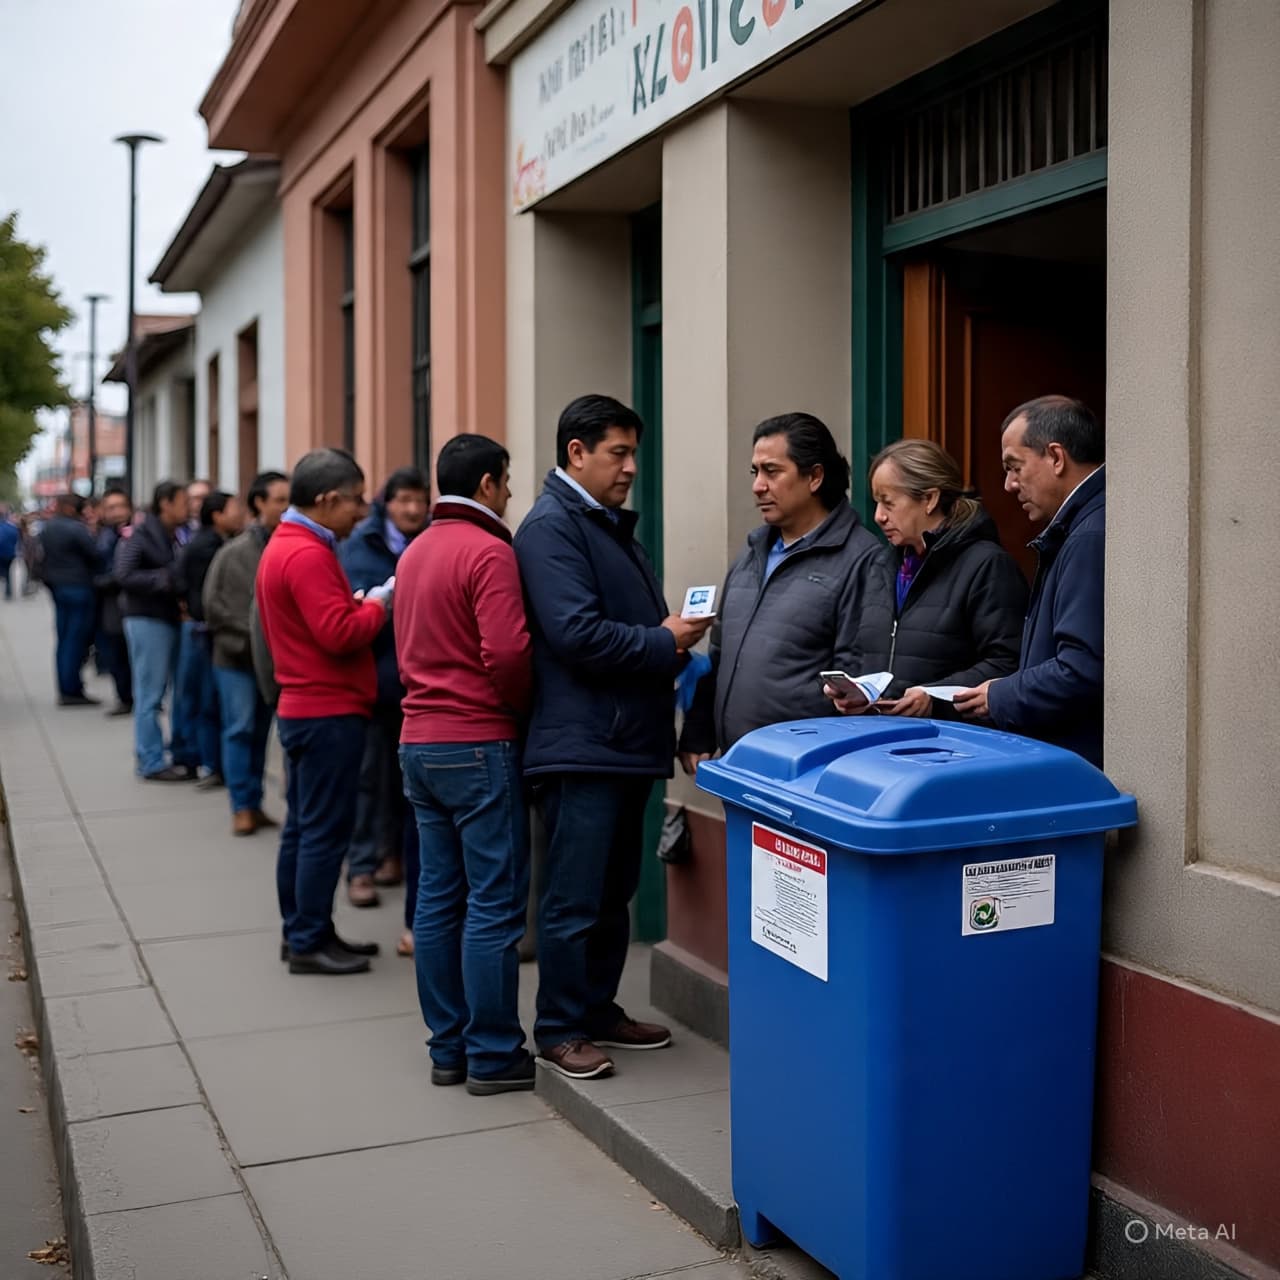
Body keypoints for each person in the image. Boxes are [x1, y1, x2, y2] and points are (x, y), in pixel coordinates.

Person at [514, 394, 712, 1081]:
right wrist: (664, 640)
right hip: (583, 748)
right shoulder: (551, 528)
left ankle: (597, 1010)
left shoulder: (602, 523)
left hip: (621, 743)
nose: (631, 467)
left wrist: (671, 647)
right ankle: (560, 1028)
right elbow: (576, 635)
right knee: (574, 897)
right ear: (576, 453)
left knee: (611, 891)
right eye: (618, 453)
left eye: (634, 454)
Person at [397, 435, 535, 1094]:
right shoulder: (489, 550)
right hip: (478, 741)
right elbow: (508, 653)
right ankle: (493, 1052)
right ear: (486, 484)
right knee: (493, 904)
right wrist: (522, 708)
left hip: (418, 743)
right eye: (505, 481)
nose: (508, 493)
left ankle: (447, 1048)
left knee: (437, 900)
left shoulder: (415, 551)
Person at [677, 413, 880, 769]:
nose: (758, 486)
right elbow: (719, 653)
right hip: (739, 764)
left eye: (772, 471)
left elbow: (855, 677)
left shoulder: (862, 559)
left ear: (815, 477)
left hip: (805, 771)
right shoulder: (752, 553)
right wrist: (698, 728)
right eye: (755, 472)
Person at [256, 448, 389, 975]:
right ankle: (309, 939)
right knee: (323, 832)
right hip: (326, 711)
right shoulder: (307, 552)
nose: (362, 510)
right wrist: (378, 605)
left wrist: (356, 605)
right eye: (356, 499)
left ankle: (304, 931)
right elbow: (338, 633)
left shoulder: (289, 543)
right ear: (328, 499)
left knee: (303, 828)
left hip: (307, 708)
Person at [824, 438, 1028, 718]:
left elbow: (1008, 663)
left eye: (888, 503)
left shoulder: (987, 566)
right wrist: (855, 693)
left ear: (930, 499)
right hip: (877, 733)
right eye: (876, 503)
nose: (879, 516)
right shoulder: (880, 565)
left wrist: (934, 697)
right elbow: (859, 653)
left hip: (949, 737)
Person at [954, 396, 1107, 766]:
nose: (1009, 485)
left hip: (1073, 762)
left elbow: (1081, 669)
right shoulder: (1083, 525)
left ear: (1056, 457)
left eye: (1015, 467)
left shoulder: (1088, 535)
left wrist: (999, 695)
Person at [339, 466, 430, 908]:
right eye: (404, 500)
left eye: (420, 500)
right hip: (374, 684)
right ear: (386, 503)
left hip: (420, 687)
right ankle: (361, 866)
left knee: (408, 783)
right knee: (369, 780)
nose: (413, 509)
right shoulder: (360, 546)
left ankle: (393, 854)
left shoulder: (430, 541)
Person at [204, 471, 289, 836]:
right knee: (240, 729)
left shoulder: (291, 548)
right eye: (280, 500)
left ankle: (254, 803)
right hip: (236, 659)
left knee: (261, 733)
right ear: (259, 503)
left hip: (273, 661)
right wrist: (252, 630)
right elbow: (212, 606)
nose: (287, 507)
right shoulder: (233, 553)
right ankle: (241, 805)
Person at [117, 481, 194, 780]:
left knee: (167, 692)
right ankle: (150, 760)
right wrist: (165, 579)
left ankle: (166, 753)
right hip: (147, 619)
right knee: (150, 694)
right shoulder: (141, 534)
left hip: (168, 618)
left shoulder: (176, 534)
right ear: (165, 504)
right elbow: (124, 574)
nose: (188, 508)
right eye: (183, 501)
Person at [175, 491, 246, 790]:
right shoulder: (209, 546)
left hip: (201, 629)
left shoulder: (211, 541)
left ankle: (206, 761)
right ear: (217, 515)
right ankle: (208, 762)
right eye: (234, 508)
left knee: (203, 699)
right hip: (204, 631)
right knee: (206, 700)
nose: (240, 513)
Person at [37, 494, 103, 706]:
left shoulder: (48, 527)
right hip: (78, 587)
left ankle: (66, 687)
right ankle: (71, 689)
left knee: (64, 638)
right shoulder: (76, 529)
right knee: (75, 640)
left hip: (59, 587)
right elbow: (95, 554)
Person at [94, 487, 135, 716]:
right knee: (117, 653)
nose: (117, 512)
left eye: (121, 506)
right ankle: (125, 697)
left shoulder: (139, 533)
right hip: (112, 605)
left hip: (137, 604)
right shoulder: (103, 537)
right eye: (111, 507)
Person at [0, 506, 19, 601]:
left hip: (1, 553)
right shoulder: (13, 528)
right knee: (8, 573)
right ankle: (8, 592)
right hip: (10, 554)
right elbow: (16, 541)